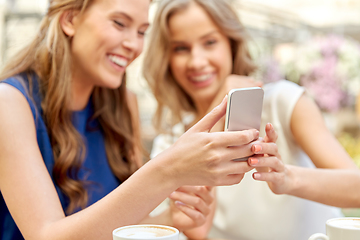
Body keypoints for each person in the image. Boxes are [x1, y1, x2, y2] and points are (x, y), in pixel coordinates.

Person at [0, 0, 269, 239]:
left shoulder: (122, 105)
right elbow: (46, 235)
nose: (133, 45)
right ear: (70, 19)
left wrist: (168, 220)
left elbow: (121, 226)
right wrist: (169, 170)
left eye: (141, 32)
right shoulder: (10, 103)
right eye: (119, 23)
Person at [142, 0, 360, 239]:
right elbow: (196, 229)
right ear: (167, 58)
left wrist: (288, 177)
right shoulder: (171, 144)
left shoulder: (282, 102)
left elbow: (356, 189)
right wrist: (217, 109)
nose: (197, 61)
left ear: (231, 44)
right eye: (180, 48)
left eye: (210, 42)